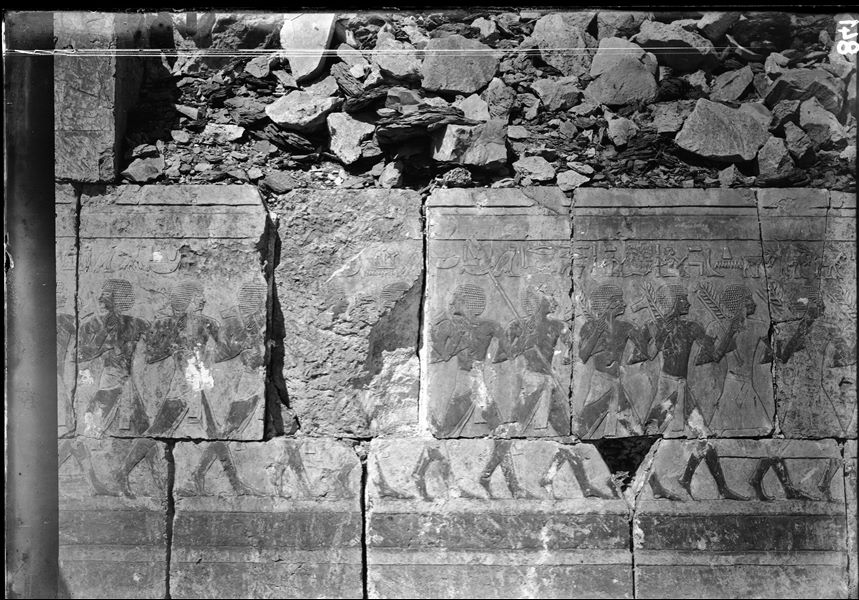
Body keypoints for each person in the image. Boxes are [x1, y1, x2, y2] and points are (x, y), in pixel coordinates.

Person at [58, 279, 149, 494]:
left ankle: (122, 476)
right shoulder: (92, 325)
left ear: (121, 300)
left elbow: (150, 355)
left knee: (147, 437)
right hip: (107, 387)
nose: (101, 300)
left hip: (129, 387)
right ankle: (59, 473)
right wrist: (104, 338)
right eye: (102, 295)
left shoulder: (136, 323)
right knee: (82, 437)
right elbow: (80, 354)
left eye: (108, 296)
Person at [641, 284, 737, 436]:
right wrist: (664, 332)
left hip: (682, 384)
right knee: (656, 427)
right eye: (683, 299)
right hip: (667, 384)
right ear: (673, 302)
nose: (688, 303)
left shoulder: (691, 327)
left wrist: (730, 333)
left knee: (701, 432)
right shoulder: (656, 326)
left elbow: (715, 356)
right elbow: (650, 354)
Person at [429, 283, 507, 436]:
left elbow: (444, 355)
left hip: (469, 374)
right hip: (471, 373)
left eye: (456, 299)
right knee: (476, 398)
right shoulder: (489, 325)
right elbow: (506, 349)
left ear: (467, 302)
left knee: (469, 399)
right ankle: (497, 427)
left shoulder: (460, 326)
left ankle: (445, 430)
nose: (451, 303)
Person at [576, 285, 650, 438]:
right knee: (583, 430)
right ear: (607, 304)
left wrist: (649, 331)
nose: (624, 304)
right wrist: (597, 332)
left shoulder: (626, 327)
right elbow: (583, 356)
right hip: (600, 383)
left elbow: (643, 350)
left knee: (634, 431)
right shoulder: (590, 327)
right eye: (618, 301)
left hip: (616, 382)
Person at [504, 287, 572, 435]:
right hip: (529, 375)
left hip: (548, 375)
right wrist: (523, 342)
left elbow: (569, 341)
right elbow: (505, 354)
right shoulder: (518, 326)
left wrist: (567, 354)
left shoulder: (557, 325)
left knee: (550, 390)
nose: (553, 304)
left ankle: (543, 428)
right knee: (543, 386)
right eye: (548, 301)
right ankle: (532, 426)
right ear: (537, 304)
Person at [707, 285, 774, 435]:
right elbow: (713, 358)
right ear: (740, 304)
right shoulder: (719, 327)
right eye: (749, 299)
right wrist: (730, 333)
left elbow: (769, 356)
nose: (754, 303)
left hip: (748, 384)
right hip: (731, 384)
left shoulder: (759, 326)